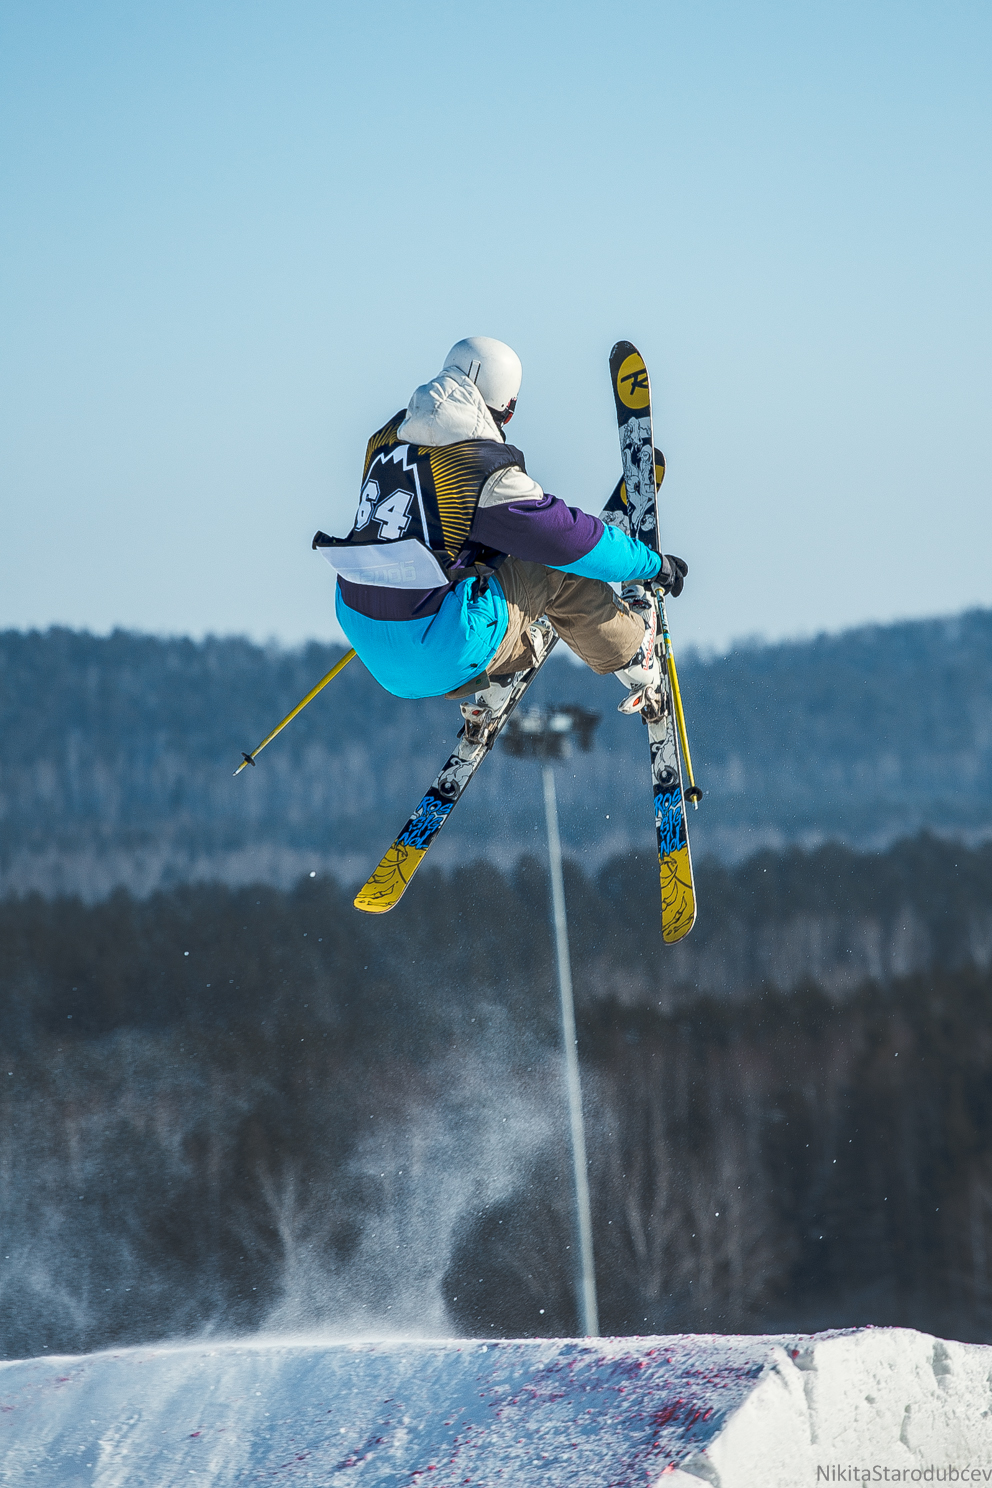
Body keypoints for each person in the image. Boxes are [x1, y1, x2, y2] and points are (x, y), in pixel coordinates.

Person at [313, 336, 687, 713]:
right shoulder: (478, 468)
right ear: (505, 409)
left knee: (490, 553)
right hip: (441, 651)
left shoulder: (384, 440)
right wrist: (651, 564)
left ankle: (505, 664)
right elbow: (568, 540)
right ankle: (632, 653)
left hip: (374, 647)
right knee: (551, 567)